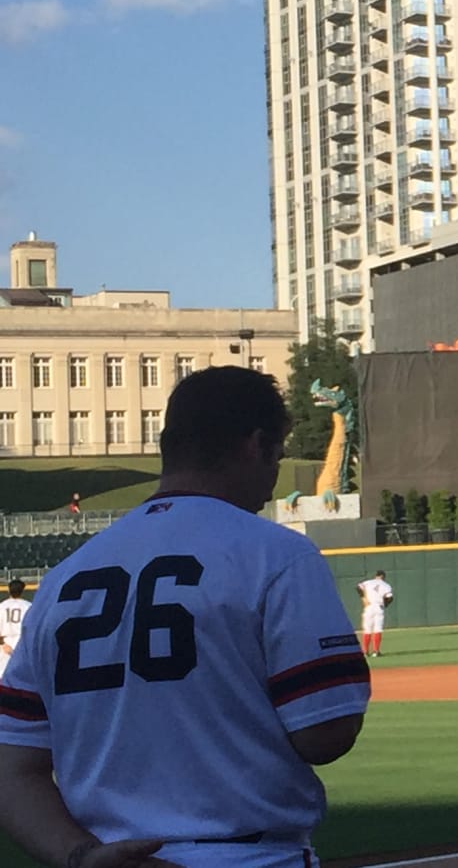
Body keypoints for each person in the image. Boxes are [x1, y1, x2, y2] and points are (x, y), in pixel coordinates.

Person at [0, 366, 369, 868]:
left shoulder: (64, 577)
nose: (272, 475)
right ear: (256, 444)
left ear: (168, 445)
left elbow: (12, 768)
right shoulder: (278, 554)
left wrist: (83, 856)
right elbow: (325, 734)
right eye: (277, 454)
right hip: (252, 857)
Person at [355, 571, 393, 658]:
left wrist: (363, 598)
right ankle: (376, 652)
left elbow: (358, 587)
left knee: (367, 629)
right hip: (378, 607)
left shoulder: (368, 582)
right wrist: (385, 604)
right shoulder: (386, 585)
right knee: (377, 629)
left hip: (368, 606)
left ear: (376, 576)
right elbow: (390, 598)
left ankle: (365, 652)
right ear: (383, 577)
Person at [0, 580, 28, 684]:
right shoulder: (28, 606)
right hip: (21, 643)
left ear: (8, 590)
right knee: (21, 679)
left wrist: (3, 644)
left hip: (4, 643)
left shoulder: (2, 606)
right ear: (23, 590)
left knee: (3, 677)